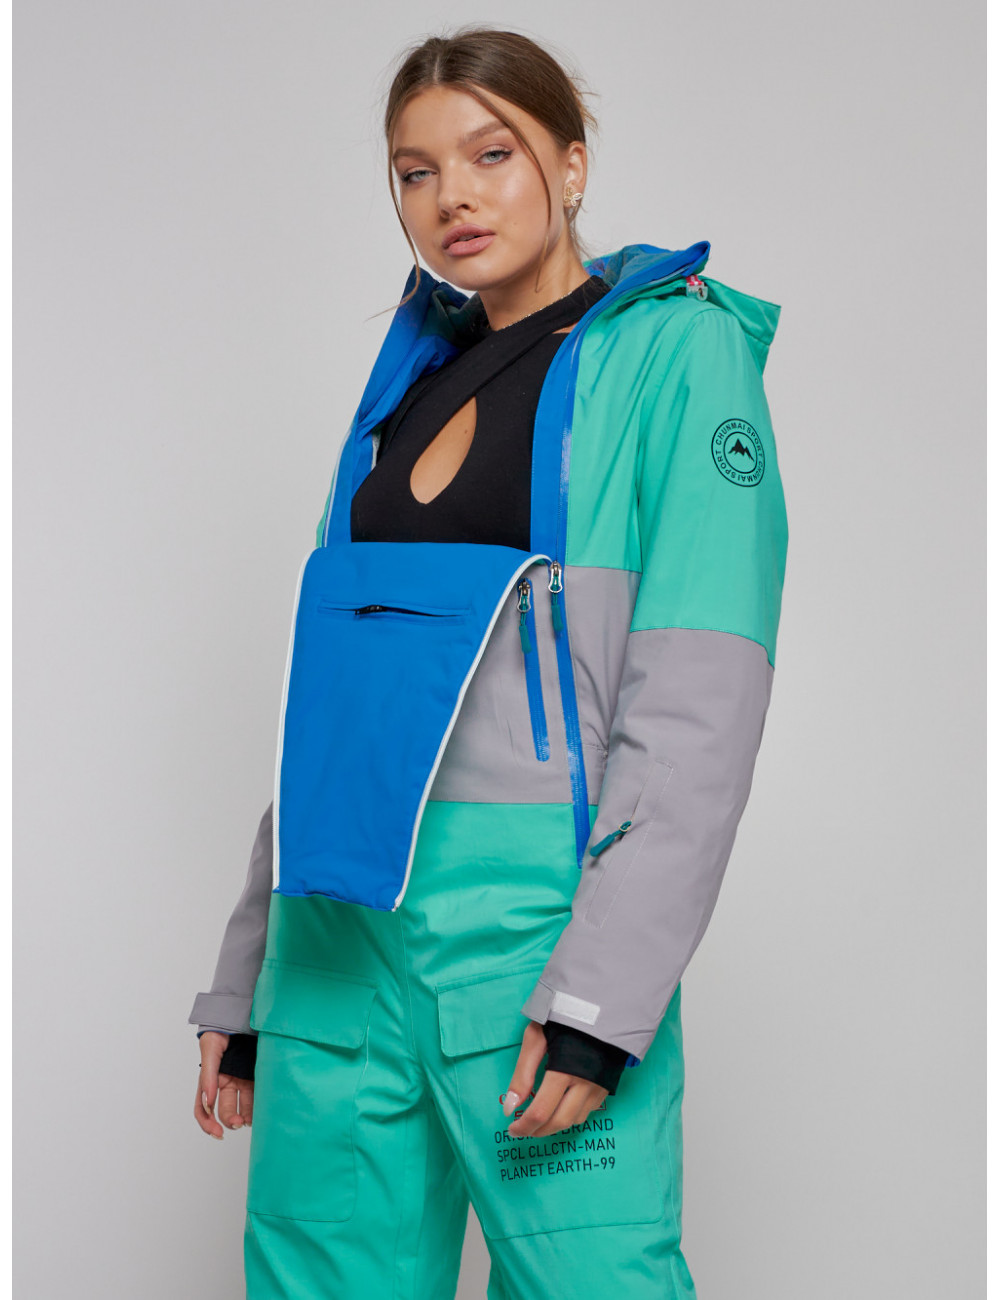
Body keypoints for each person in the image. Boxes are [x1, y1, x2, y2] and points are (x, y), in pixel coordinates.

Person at [188, 24, 788, 1300]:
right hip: (334, 947)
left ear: (570, 164)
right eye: (415, 172)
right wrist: (249, 977)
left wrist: (603, 997)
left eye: (490, 154)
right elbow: (336, 710)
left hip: (529, 939)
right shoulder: (400, 389)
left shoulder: (676, 357)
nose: (451, 196)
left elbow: (698, 708)